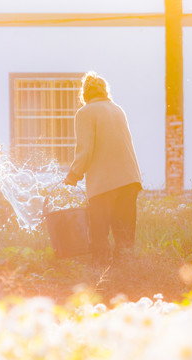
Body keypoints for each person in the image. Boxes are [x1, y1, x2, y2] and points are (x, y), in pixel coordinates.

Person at [64, 71, 142, 266]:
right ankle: (127, 276)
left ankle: (100, 278)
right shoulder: (118, 110)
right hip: (130, 180)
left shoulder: (85, 113)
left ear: (84, 95)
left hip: (104, 184)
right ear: (105, 92)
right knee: (124, 236)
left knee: (99, 236)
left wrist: (73, 175)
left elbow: (85, 150)